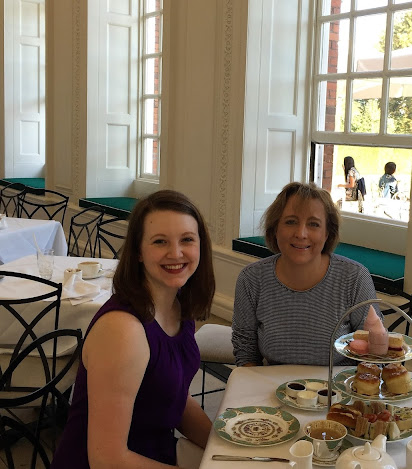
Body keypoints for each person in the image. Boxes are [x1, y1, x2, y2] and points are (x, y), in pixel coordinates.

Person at [50, 190, 215, 469]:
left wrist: (227, 449)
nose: (176, 253)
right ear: (138, 251)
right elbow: (107, 460)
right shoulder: (123, 330)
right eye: (160, 241)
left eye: (187, 239)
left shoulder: (179, 306)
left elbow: (175, 397)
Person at [232, 182, 381, 367]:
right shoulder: (251, 279)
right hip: (274, 383)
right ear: (275, 228)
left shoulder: (355, 278)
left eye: (313, 224)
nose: (301, 234)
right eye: (291, 222)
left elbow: (373, 353)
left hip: (339, 384)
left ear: (327, 233)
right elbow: (246, 351)